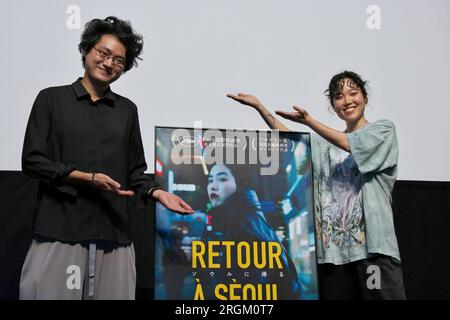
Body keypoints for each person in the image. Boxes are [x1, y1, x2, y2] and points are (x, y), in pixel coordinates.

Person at [20, 16, 194, 300]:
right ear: (87, 50)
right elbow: (33, 160)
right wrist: (87, 178)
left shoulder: (127, 110)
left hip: (114, 235)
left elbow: (136, 170)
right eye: (103, 53)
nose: (109, 63)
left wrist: (159, 193)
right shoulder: (51, 99)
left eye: (119, 60)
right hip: (59, 229)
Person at [227, 71, 406, 299]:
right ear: (333, 105)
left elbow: (351, 144)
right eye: (339, 96)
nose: (348, 100)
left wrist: (309, 120)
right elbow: (294, 141)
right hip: (333, 257)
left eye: (353, 93)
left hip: (373, 253)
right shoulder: (326, 147)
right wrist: (261, 108)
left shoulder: (382, 130)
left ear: (365, 97)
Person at [204, 163, 302, 300]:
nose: (213, 186)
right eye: (210, 180)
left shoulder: (242, 227)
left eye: (221, 179)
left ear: (240, 183)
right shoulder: (251, 220)